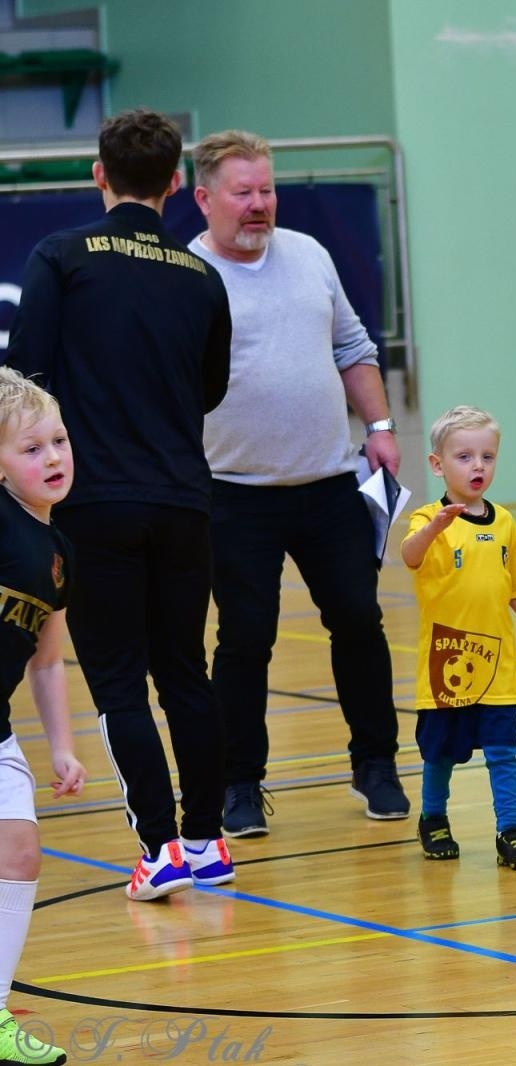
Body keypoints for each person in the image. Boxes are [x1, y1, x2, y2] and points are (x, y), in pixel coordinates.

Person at [5, 108, 236, 899]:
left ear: (98, 176)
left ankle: (160, 850)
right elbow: (211, 389)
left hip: (95, 503)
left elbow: (22, 380)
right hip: (184, 500)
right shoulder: (203, 275)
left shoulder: (62, 256)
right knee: (186, 675)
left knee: (115, 680)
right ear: (176, 184)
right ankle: (207, 841)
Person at [188, 129, 410, 836]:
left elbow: (352, 346)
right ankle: (240, 784)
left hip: (328, 485)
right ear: (204, 198)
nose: (259, 205)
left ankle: (376, 764)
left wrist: (378, 426)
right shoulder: (186, 276)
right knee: (245, 640)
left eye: (266, 190)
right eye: (243, 192)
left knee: (358, 620)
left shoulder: (310, 255)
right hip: (232, 494)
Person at [401, 406, 516, 868]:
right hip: (447, 667)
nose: (478, 466)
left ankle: (511, 830)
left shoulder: (502, 524)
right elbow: (410, 555)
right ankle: (434, 818)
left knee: (504, 753)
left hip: (498, 668)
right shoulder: (427, 518)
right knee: (440, 753)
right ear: (437, 465)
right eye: (464, 457)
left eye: (487, 456)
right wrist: (436, 528)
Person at [0, 368, 88, 1066]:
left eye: (57, 441)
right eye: (31, 448)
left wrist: (61, 746)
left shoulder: (58, 553)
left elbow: (48, 659)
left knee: (21, 849)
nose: (53, 457)